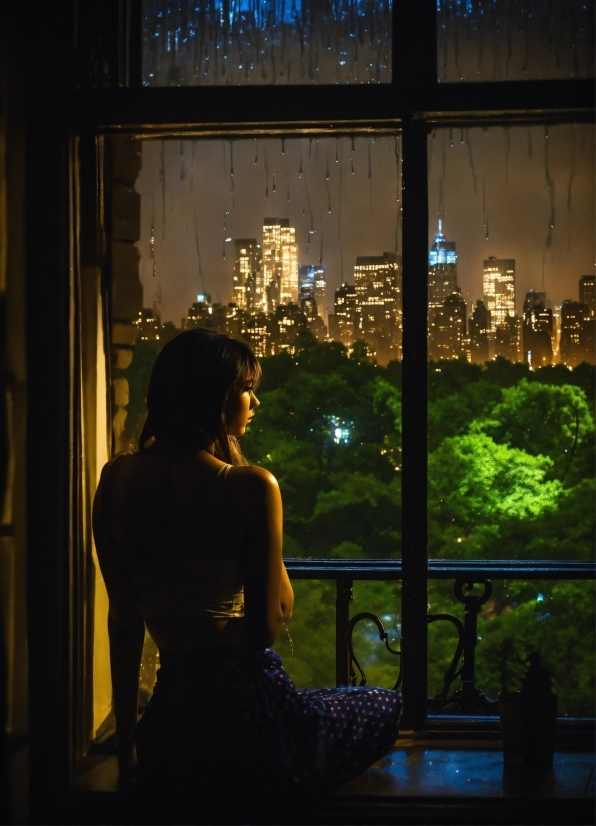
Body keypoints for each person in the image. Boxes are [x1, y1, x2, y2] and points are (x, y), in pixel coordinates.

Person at [93, 328, 401, 822]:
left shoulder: (115, 481)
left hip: (171, 721)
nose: (254, 401)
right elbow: (265, 628)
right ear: (212, 398)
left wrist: (130, 745)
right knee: (381, 704)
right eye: (246, 388)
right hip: (248, 719)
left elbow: (124, 623)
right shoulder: (249, 485)